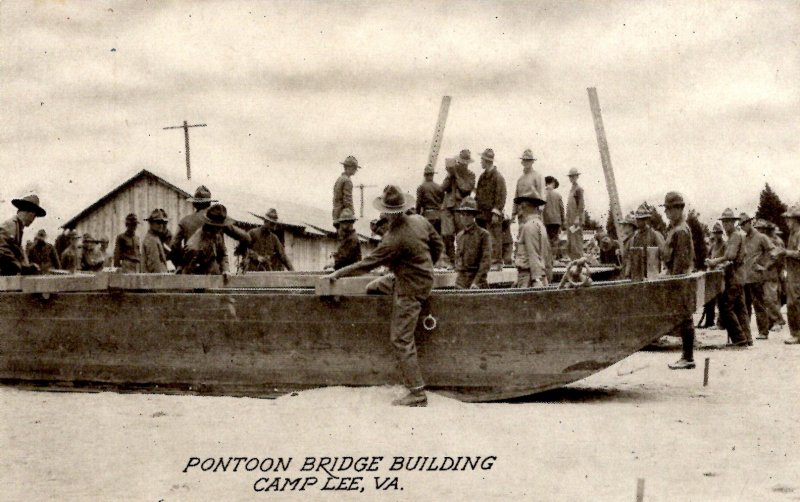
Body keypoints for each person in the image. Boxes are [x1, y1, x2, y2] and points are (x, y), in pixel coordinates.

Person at [325, 185, 443, 407]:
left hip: (411, 288)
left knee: (400, 339)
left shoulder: (393, 239)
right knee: (373, 287)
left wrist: (338, 273)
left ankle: (417, 393)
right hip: (418, 278)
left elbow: (366, 264)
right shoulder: (419, 220)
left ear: (388, 213)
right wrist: (425, 268)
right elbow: (438, 245)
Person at [661, 192, 696, 369]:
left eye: (670, 209)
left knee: (685, 317)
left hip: (680, 279)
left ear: (679, 209)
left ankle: (688, 357)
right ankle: (686, 356)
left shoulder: (681, 230)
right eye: (666, 209)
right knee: (684, 317)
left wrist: (673, 281)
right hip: (676, 277)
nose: (667, 213)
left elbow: (681, 262)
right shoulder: (675, 229)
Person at [706, 209, 751, 346]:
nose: (725, 225)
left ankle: (739, 339)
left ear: (733, 222)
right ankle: (747, 338)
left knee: (726, 307)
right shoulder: (736, 236)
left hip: (735, 277)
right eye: (724, 222)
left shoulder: (735, 236)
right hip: (739, 276)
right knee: (740, 308)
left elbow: (730, 256)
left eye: (727, 222)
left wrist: (715, 262)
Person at [739, 212, 774, 340]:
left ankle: (763, 332)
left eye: (743, 223)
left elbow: (773, 252)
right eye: (740, 225)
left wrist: (764, 266)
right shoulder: (743, 239)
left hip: (756, 277)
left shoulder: (761, 237)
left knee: (758, 304)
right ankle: (745, 333)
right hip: (745, 278)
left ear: (749, 222)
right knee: (745, 306)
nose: (741, 227)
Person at [440, 151, 477, 267]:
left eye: (464, 163)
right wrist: (450, 175)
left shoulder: (471, 175)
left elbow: (465, 189)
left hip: (461, 208)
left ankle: (461, 261)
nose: (462, 165)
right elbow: (442, 188)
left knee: (461, 235)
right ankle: (450, 260)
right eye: (460, 163)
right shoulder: (452, 173)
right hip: (449, 207)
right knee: (447, 233)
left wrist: (456, 175)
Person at [475, 148, 507, 268]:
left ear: (487, 161)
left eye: (482, 160)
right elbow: (478, 195)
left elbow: (501, 195)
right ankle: (486, 262)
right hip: (481, 215)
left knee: (494, 238)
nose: (480, 162)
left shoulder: (498, 177)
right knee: (483, 239)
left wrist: (496, 212)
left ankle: (496, 262)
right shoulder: (482, 177)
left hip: (492, 215)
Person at [0, 194, 46, 276]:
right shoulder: (11, 225)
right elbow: (2, 249)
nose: (33, 219)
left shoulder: (18, 227)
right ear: (28, 212)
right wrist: (20, 266)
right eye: (34, 215)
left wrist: (25, 266)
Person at [513, 190, 551, 287]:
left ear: (525, 206)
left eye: (521, 206)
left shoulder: (529, 226)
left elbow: (533, 253)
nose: (519, 210)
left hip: (528, 276)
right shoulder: (539, 224)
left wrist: (536, 279)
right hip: (532, 274)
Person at [180, 204, 231, 275]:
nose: (220, 229)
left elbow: (222, 253)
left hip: (210, 277)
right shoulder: (194, 246)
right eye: (218, 227)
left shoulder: (216, 235)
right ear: (210, 225)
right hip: (194, 278)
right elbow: (189, 271)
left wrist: (225, 269)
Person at [453, 197, 491, 289]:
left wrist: (476, 282)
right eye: (462, 214)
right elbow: (458, 259)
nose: (465, 218)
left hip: (476, 281)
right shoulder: (459, 236)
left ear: (474, 216)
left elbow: (485, 261)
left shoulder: (483, 234)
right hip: (461, 281)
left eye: (468, 215)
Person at [776, 205, 800, 344]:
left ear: (795, 220)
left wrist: (784, 252)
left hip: (797, 275)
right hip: (792, 274)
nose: (786, 222)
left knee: (794, 304)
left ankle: (796, 334)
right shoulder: (792, 234)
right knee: (792, 304)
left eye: (788, 219)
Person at [757, 220, 786, 331]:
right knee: (769, 298)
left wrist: (766, 266)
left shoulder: (775, 241)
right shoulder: (767, 240)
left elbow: (777, 258)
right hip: (767, 273)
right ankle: (772, 321)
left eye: (760, 228)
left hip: (772, 273)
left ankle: (778, 321)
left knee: (771, 298)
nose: (759, 231)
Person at [700, 222, 727, 329]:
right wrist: (707, 262)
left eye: (719, 233)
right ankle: (709, 321)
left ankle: (721, 323)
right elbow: (708, 258)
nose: (717, 235)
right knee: (709, 299)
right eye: (715, 233)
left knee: (721, 300)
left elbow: (727, 259)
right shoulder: (713, 246)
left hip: (720, 274)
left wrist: (718, 264)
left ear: (721, 233)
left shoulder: (725, 245)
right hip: (712, 274)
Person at [630, 202, 665, 272]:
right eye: (637, 219)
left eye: (640, 219)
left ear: (646, 220)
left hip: (653, 270)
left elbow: (663, 253)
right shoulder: (635, 236)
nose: (637, 221)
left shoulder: (654, 234)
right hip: (640, 271)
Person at [511, 149, 543, 222]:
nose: (526, 162)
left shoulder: (537, 176)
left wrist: (540, 213)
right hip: (521, 214)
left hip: (533, 214)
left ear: (532, 162)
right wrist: (513, 214)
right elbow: (516, 197)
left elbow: (542, 196)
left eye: (529, 160)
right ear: (522, 162)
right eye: (525, 160)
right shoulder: (520, 179)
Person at [415, 164, 443, 236]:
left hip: (427, 217)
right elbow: (443, 201)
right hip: (439, 217)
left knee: (428, 240)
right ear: (433, 175)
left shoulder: (421, 187)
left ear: (425, 175)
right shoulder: (439, 187)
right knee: (438, 240)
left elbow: (418, 204)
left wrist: (417, 216)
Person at [332, 155, 360, 224]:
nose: (355, 170)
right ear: (349, 168)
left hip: (336, 214)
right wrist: (352, 214)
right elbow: (347, 200)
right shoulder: (347, 181)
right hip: (344, 217)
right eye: (354, 168)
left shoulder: (339, 179)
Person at [141, 209, 170, 273]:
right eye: (158, 223)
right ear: (151, 223)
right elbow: (154, 266)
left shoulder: (155, 237)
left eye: (162, 223)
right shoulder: (151, 240)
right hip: (156, 280)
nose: (161, 225)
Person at [565, 168, 585, 260]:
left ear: (577, 177)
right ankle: (574, 261)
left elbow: (581, 205)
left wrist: (577, 217)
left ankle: (579, 261)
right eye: (570, 176)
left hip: (576, 221)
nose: (571, 178)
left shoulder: (578, 189)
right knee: (571, 242)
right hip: (570, 221)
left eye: (573, 176)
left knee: (577, 242)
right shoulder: (571, 190)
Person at [543, 176, 565, 259]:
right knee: (555, 241)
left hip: (545, 221)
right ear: (552, 183)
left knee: (546, 241)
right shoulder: (558, 195)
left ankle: (547, 259)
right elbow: (562, 209)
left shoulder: (542, 194)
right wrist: (563, 222)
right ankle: (553, 258)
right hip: (556, 221)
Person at [618, 211, 637, 278]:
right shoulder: (628, 240)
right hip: (628, 272)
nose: (623, 227)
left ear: (631, 227)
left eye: (625, 225)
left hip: (630, 274)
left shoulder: (633, 239)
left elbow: (630, 258)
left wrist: (626, 274)